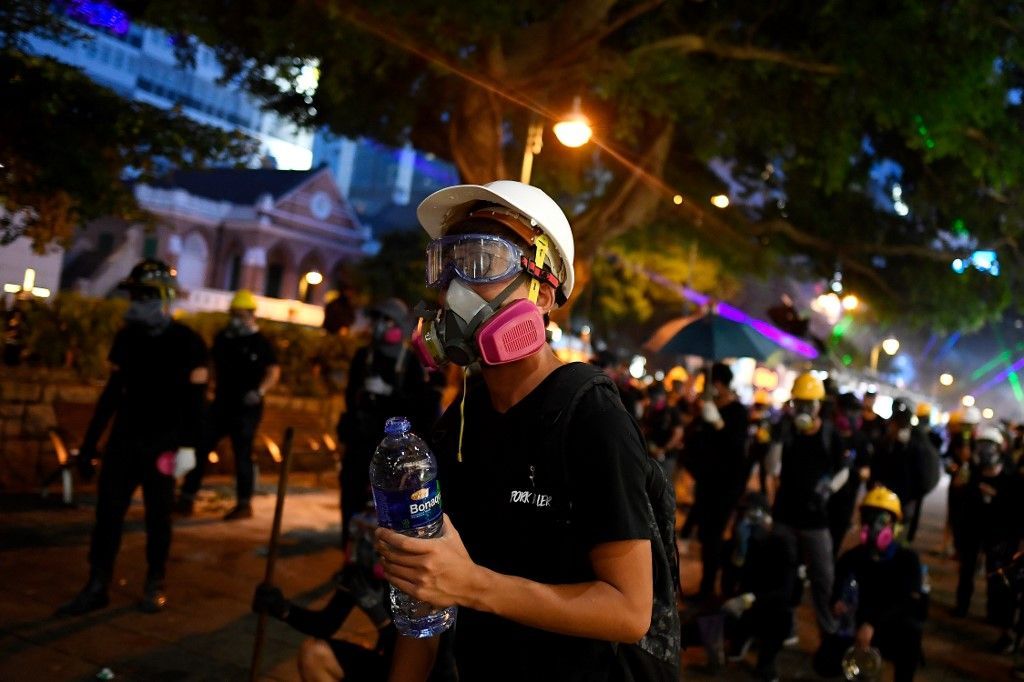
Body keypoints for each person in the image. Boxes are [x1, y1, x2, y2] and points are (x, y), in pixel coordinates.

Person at [377, 180, 677, 681]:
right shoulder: (462, 419)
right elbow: (428, 592)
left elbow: (629, 612)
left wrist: (472, 586)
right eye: (448, 263)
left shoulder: (592, 418)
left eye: (483, 262)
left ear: (544, 291)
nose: (456, 289)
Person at [58, 259, 208, 615]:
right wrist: (90, 444)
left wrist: (191, 447)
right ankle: (98, 583)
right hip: (124, 442)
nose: (137, 302)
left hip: (164, 446)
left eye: (145, 295)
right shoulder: (127, 338)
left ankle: (155, 581)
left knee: (158, 517)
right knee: (108, 516)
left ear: (164, 298)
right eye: (135, 295)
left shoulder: (188, 342)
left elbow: (196, 403)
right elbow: (111, 394)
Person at [336, 297, 433, 549]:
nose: (380, 325)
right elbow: (350, 397)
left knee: (389, 501)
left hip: (391, 448)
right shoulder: (363, 355)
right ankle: (350, 548)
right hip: (360, 440)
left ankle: (383, 552)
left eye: (387, 320)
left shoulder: (409, 361)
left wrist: (389, 393)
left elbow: (420, 407)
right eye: (377, 319)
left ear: (400, 325)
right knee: (351, 492)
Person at [178, 289, 279, 519]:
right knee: (202, 446)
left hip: (247, 408)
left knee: (242, 454)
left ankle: (244, 504)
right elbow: (211, 365)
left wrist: (259, 391)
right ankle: (186, 497)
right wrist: (209, 389)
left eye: (240, 315)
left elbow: (273, 371)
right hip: (222, 404)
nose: (236, 320)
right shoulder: (224, 338)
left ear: (251, 315)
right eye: (233, 314)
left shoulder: (260, 343)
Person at [821, 487, 926, 682]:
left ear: (895, 525)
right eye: (868, 519)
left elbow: (909, 602)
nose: (874, 526)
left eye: (882, 520)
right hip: (856, 623)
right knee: (825, 664)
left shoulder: (907, 559)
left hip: (890, 624)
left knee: (911, 631)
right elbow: (836, 591)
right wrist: (837, 603)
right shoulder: (851, 558)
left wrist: (872, 624)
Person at [771, 372, 848, 637]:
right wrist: (776, 441)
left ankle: (829, 635)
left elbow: (844, 469)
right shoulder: (787, 431)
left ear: (819, 405)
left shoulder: (830, 434)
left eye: (809, 403)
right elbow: (772, 469)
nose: (804, 409)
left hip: (816, 519)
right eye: (799, 403)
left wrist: (828, 489)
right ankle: (785, 628)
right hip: (785, 516)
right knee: (784, 576)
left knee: (824, 579)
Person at [718, 492, 799, 682]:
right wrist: (738, 553)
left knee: (779, 619)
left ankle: (766, 659)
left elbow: (786, 592)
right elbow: (731, 581)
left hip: (774, 605)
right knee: (719, 619)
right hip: (754, 599)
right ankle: (741, 637)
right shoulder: (748, 538)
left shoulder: (783, 542)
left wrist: (750, 599)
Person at [954, 426, 1021, 653]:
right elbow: (960, 504)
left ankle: (996, 616)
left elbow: (1014, 510)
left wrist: (997, 497)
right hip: (973, 532)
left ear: (1000, 449)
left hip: (998, 536)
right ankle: (962, 605)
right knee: (967, 569)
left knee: (997, 577)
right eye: (981, 445)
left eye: (989, 446)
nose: (984, 451)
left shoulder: (1010, 479)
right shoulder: (971, 474)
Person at [688, 362, 750, 600]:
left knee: (714, 535)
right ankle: (707, 586)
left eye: (708, 383)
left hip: (726, 486)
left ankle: (712, 588)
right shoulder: (707, 408)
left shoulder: (738, 412)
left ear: (719, 384)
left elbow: (736, 449)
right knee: (706, 536)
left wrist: (718, 423)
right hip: (706, 482)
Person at [869, 398, 939, 544]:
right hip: (880, 502)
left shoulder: (918, 444)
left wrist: (907, 496)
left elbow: (925, 478)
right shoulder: (886, 441)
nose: (893, 427)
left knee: (895, 543)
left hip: (903, 506)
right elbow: (876, 466)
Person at [826, 392, 869, 556]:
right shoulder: (827, 434)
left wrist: (854, 470)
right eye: (848, 410)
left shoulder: (860, 439)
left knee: (834, 542)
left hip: (845, 500)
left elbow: (866, 470)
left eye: (855, 411)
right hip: (822, 497)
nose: (852, 415)